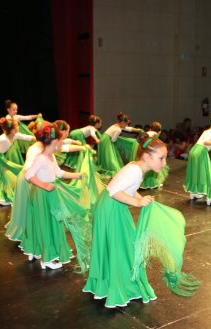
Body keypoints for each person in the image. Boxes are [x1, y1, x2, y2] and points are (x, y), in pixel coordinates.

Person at [84, 133, 199, 307]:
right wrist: (137, 202)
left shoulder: (136, 167)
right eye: (161, 158)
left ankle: (112, 283)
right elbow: (115, 191)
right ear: (147, 156)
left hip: (112, 206)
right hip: (111, 207)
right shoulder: (136, 171)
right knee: (120, 245)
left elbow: (127, 188)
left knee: (122, 245)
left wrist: (139, 197)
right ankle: (117, 286)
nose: (165, 163)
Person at [19, 124, 84, 270]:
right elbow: (28, 174)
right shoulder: (42, 158)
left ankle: (35, 251)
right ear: (55, 142)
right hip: (43, 195)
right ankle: (46, 259)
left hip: (46, 194)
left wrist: (78, 175)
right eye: (61, 140)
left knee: (41, 223)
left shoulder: (50, 156)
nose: (62, 142)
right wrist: (43, 185)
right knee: (46, 224)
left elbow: (59, 173)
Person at [0, 117, 36, 205]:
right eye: (17, 126)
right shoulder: (4, 138)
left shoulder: (15, 135)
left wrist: (37, 139)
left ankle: (1, 196)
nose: (18, 127)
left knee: (3, 175)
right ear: (12, 130)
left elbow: (26, 137)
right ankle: (0, 198)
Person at [183, 112, 211, 205]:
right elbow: (205, 142)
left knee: (196, 173)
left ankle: (194, 192)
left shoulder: (206, 131)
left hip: (194, 150)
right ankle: (210, 197)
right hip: (201, 152)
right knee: (207, 175)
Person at [97, 112, 142, 177]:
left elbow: (127, 129)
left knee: (106, 156)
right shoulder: (118, 130)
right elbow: (113, 140)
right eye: (127, 124)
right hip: (107, 141)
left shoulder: (117, 125)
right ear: (123, 122)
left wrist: (137, 130)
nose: (127, 125)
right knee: (110, 156)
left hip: (104, 138)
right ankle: (111, 169)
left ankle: (105, 167)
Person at [4, 99, 41, 164]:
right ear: (8, 110)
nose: (15, 111)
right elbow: (9, 123)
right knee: (11, 153)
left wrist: (37, 115)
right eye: (14, 109)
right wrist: (15, 122)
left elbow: (28, 117)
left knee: (16, 152)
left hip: (16, 138)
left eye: (16, 109)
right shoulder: (8, 117)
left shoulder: (16, 117)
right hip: (10, 138)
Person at [140, 122, 170, 189]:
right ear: (159, 131)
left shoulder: (147, 132)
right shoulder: (155, 134)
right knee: (152, 167)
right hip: (149, 151)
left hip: (143, 149)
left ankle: (143, 182)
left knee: (145, 166)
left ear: (150, 128)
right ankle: (150, 183)